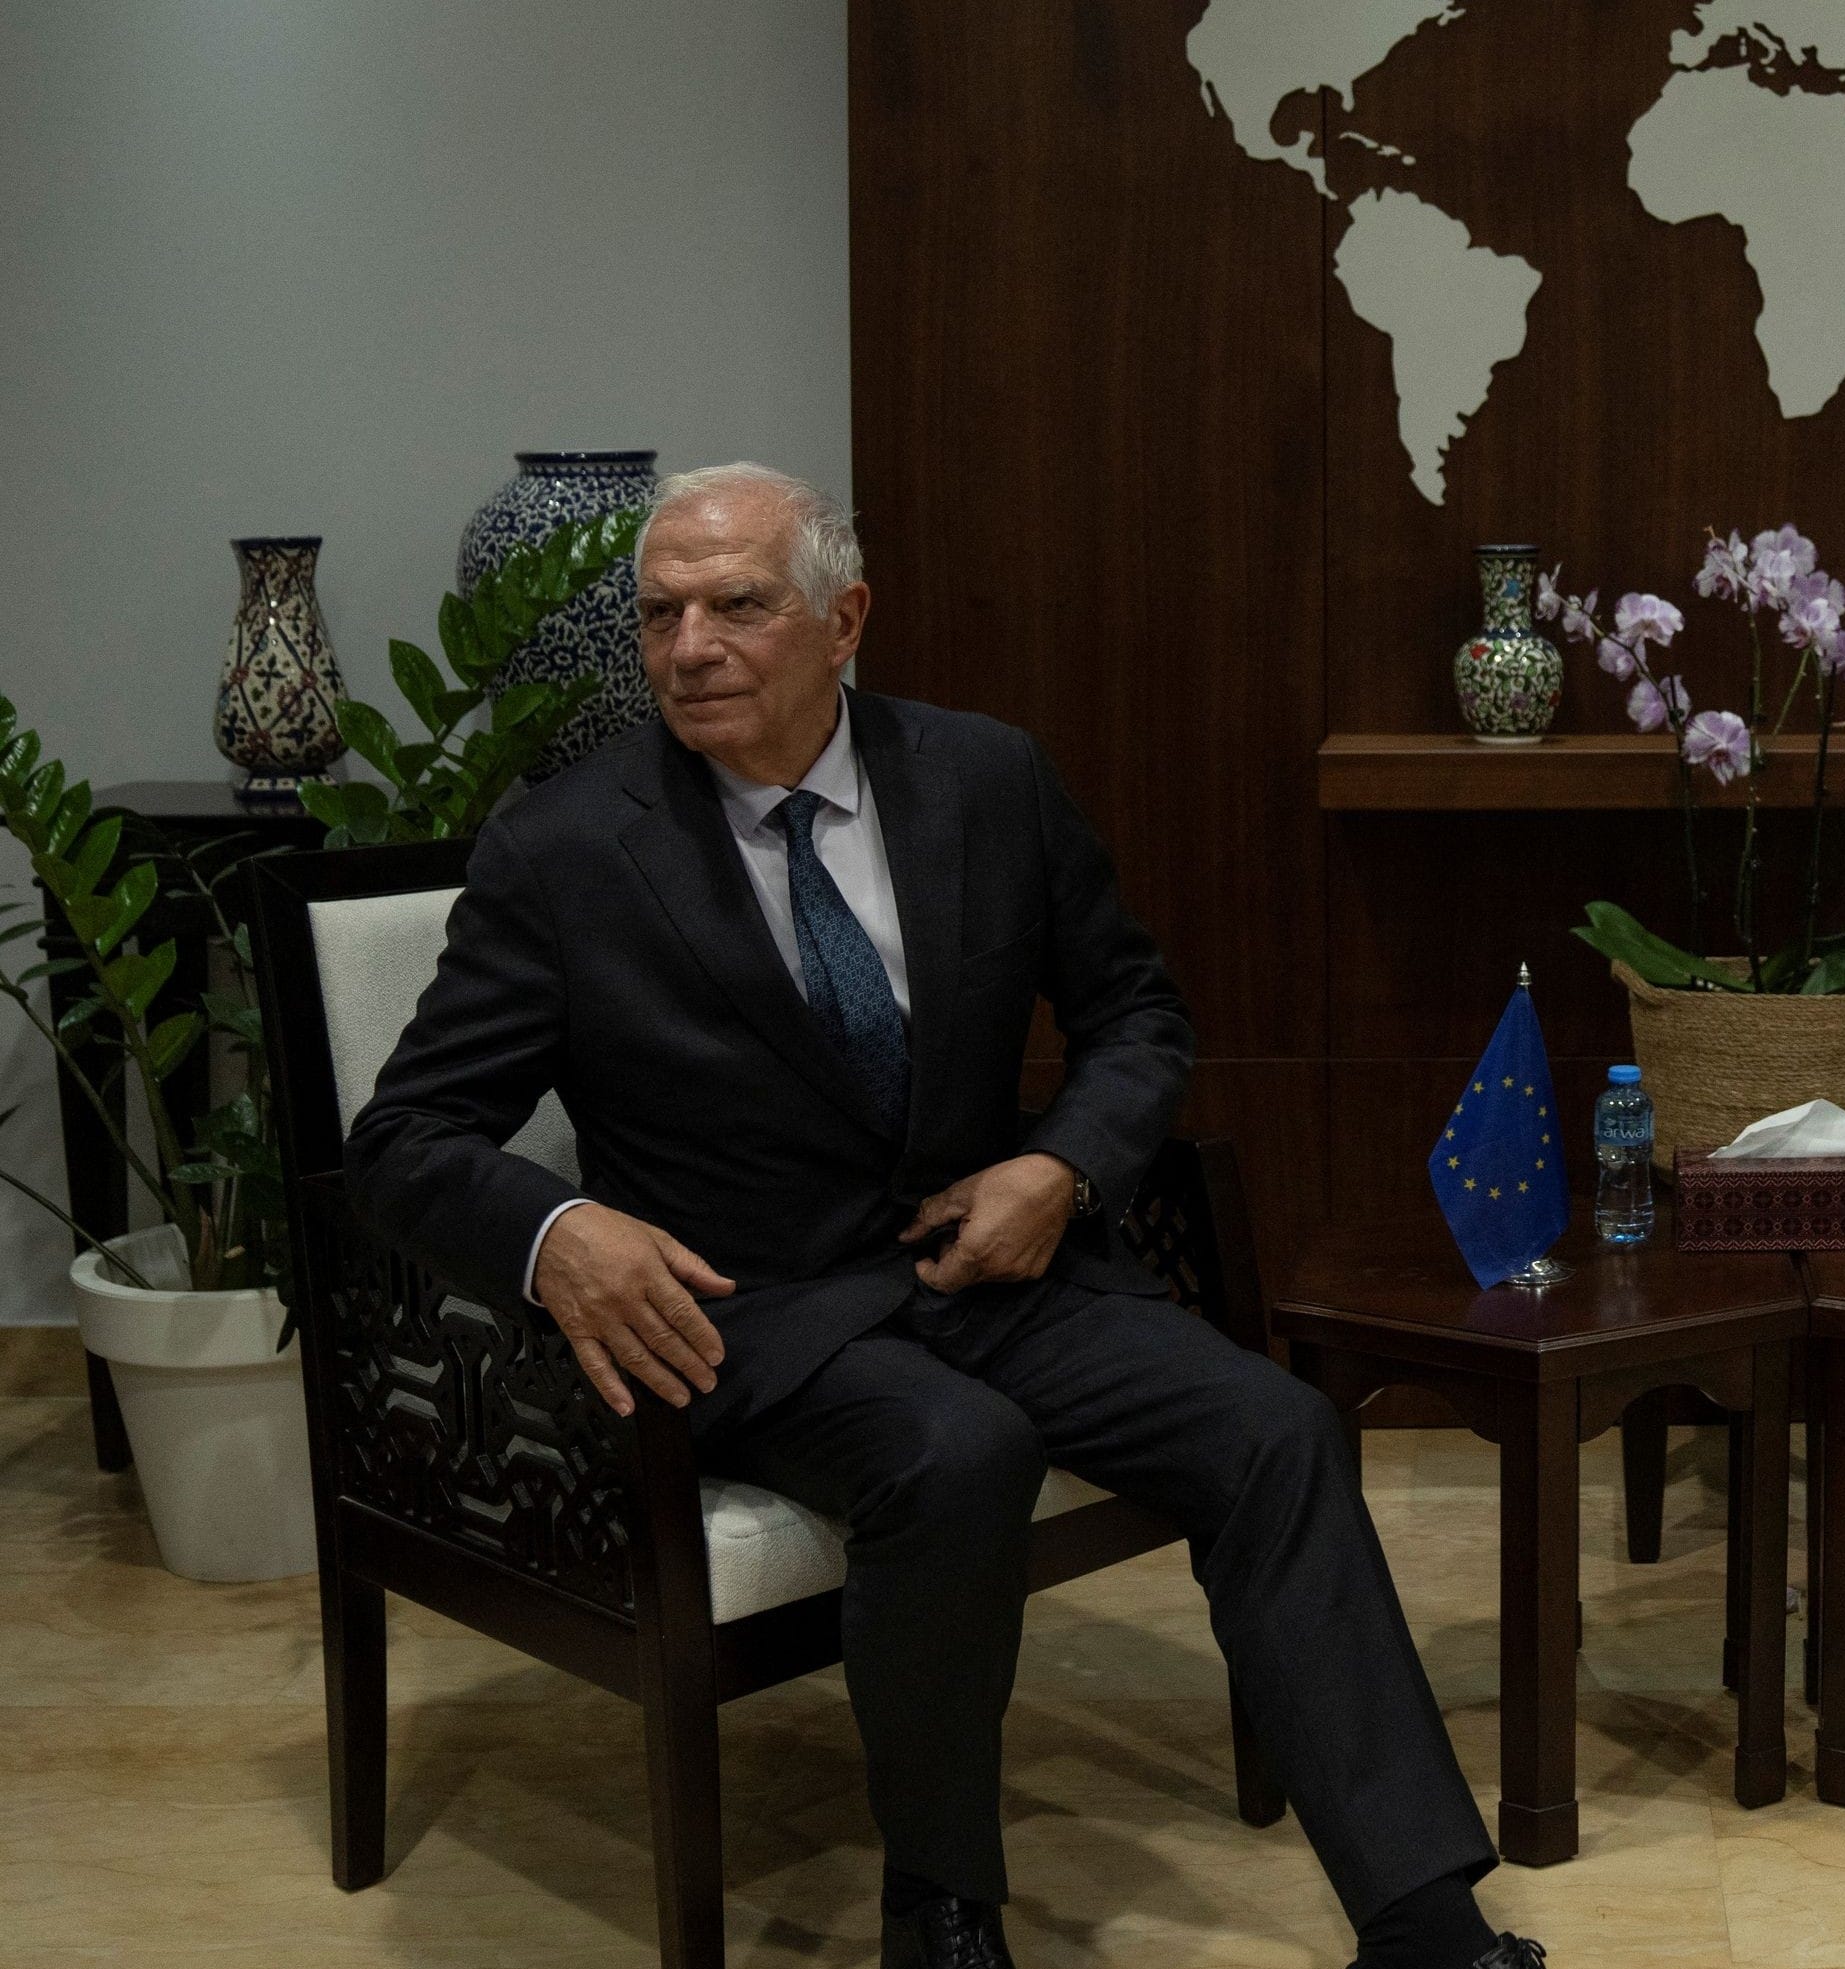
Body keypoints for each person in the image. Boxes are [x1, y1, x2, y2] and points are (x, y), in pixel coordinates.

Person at [348, 463, 1543, 1969]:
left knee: (1276, 1432)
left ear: (844, 619)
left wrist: (1063, 1169)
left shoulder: (985, 779)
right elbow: (403, 1137)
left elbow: (1137, 1014)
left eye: (737, 606)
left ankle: (1423, 1917)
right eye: (660, 615)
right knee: (957, 1453)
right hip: (752, 1315)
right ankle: (942, 1910)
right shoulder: (567, 845)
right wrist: (558, 1231)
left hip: (993, 1269)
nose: (689, 648)